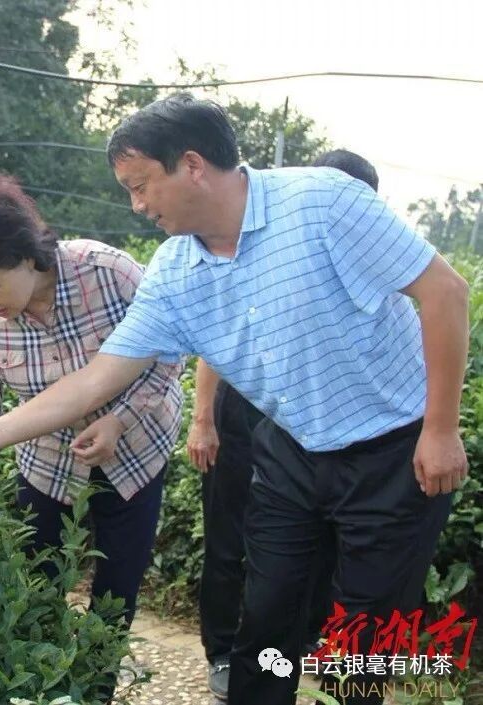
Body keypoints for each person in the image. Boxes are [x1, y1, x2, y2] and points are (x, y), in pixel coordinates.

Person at [0, 95, 468, 705]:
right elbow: (96, 379)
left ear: (193, 166)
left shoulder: (325, 202)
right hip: (291, 448)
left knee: (365, 633)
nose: (136, 205)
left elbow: (445, 292)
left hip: (391, 450)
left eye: (140, 185)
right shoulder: (175, 271)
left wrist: (440, 429)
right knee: (267, 616)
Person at [0, 170, 183, 633]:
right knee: (36, 586)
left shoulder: (109, 272)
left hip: (136, 451)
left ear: (25, 256)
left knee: (117, 590)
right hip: (47, 462)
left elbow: (169, 351)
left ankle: (102, 673)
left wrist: (120, 419)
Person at [186, 149, 385, 701]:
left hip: (314, 421)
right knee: (229, 540)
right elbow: (215, 337)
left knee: (308, 548)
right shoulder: (259, 244)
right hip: (245, 410)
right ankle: (224, 651)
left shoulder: (371, 256)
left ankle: (294, 652)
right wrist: (203, 419)